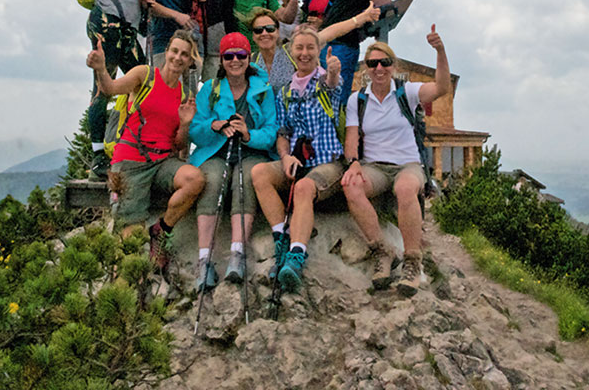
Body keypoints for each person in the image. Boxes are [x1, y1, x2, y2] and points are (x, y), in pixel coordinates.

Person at [341, 28, 451, 297]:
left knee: (405, 189)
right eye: (372, 63)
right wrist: (353, 163)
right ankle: (382, 251)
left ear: (393, 65)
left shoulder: (407, 92)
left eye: (384, 63)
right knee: (352, 187)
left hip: (407, 164)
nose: (379, 68)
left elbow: (442, 88)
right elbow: (352, 136)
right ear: (366, 68)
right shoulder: (359, 99)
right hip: (375, 165)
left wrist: (440, 51)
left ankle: (412, 261)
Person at [87, 29, 205, 273]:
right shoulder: (145, 75)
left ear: (190, 61)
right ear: (166, 52)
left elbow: (179, 145)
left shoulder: (185, 95)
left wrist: (185, 124)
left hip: (162, 161)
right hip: (130, 161)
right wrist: (100, 69)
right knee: (130, 242)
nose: (178, 58)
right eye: (174, 51)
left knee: (195, 179)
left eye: (184, 54)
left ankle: (161, 231)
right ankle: (127, 291)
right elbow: (111, 88)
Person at [250, 26, 343, 293]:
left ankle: (297, 254)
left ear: (318, 51)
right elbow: (283, 132)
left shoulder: (324, 80)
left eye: (310, 48)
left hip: (328, 161)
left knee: (303, 188)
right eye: (299, 48)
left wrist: (334, 70)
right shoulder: (286, 92)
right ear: (291, 52)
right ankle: (281, 236)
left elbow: (333, 85)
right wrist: (285, 156)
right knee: (260, 173)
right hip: (298, 160)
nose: (304, 53)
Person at [65, 0, 148, 180]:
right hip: (105, 22)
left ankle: (137, 145)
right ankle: (99, 157)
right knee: (102, 87)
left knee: (145, 82)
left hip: (129, 28)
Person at [188, 32, 278, 290]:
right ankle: (204, 260)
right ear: (222, 60)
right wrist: (214, 125)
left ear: (249, 58)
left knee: (246, 179)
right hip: (216, 152)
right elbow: (196, 129)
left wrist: (249, 134)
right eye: (229, 56)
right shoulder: (210, 89)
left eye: (241, 55)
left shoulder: (264, 90)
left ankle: (237, 254)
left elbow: (271, 130)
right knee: (212, 180)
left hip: (251, 152)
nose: (235, 60)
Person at [321, 0, 391, 106]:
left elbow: (387, 5)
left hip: (345, 44)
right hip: (326, 41)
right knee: (320, 92)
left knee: (337, 96)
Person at [247, 4, 382, 91]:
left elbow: (330, 32)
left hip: (296, 125)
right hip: (266, 128)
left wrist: (360, 19)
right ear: (253, 35)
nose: (264, 33)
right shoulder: (250, 62)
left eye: (269, 29)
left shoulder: (291, 50)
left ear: (277, 31)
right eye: (259, 30)